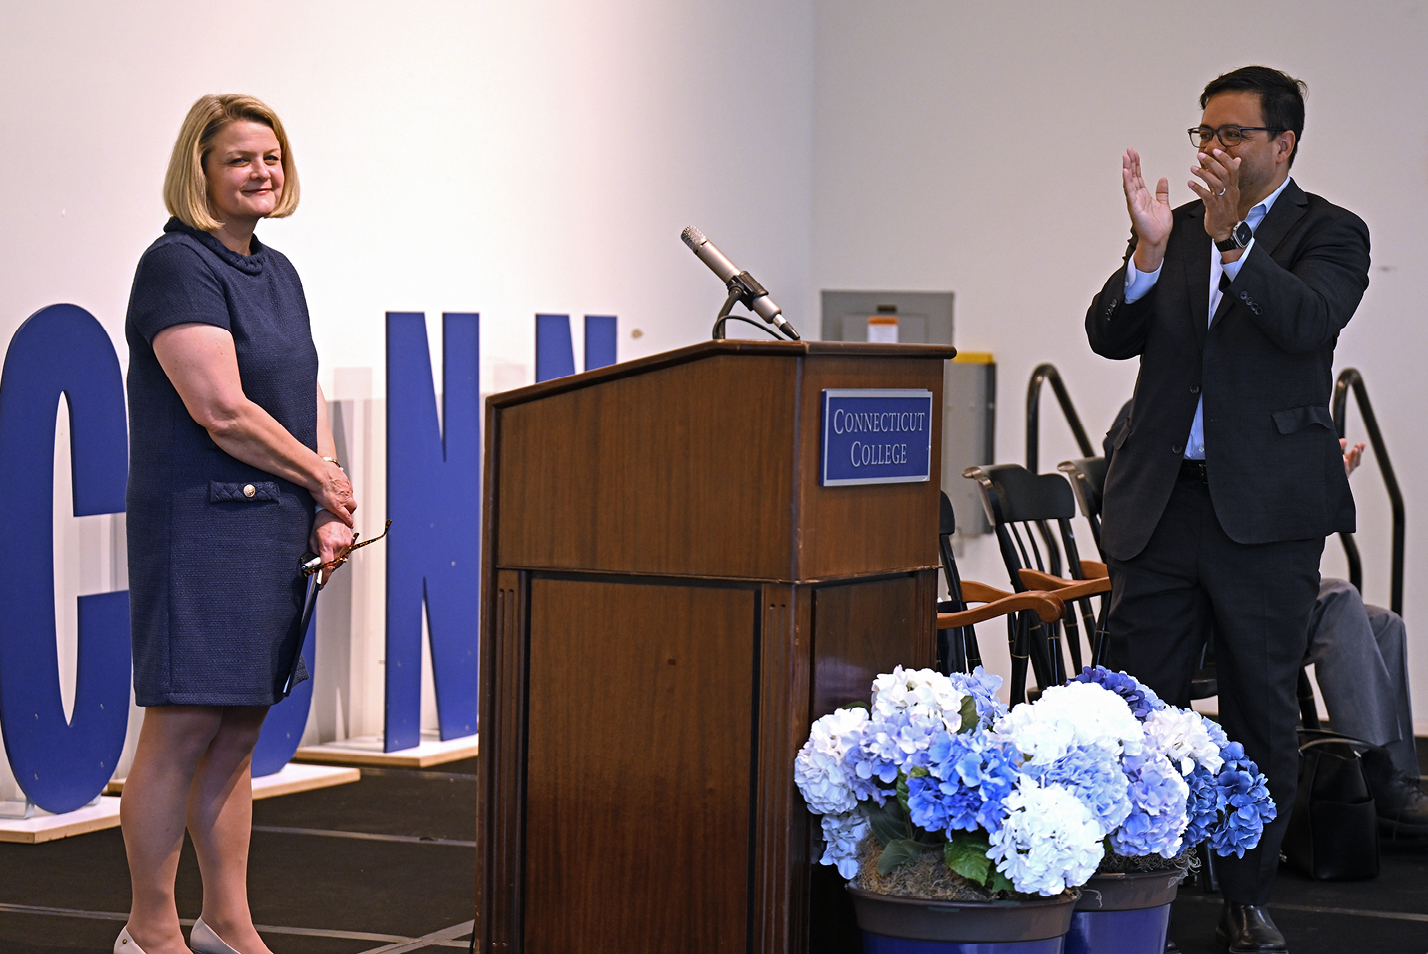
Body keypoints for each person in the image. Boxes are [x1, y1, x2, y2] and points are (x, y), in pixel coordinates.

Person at [1085, 66, 1370, 953]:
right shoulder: (1170, 232)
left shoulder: (1332, 231)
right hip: (1162, 507)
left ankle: (1245, 899)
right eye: (1203, 133)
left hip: (1267, 517)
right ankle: (1134, 902)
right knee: (1135, 710)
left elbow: (1307, 322)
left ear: (1282, 143)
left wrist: (1232, 244)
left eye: (1233, 135)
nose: (1213, 150)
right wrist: (1144, 253)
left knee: (1258, 712)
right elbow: (1107, 335)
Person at [117, 95, 356, 954]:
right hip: (202, 528)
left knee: (240, 733)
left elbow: (300, 394)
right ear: (201, 171)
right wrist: (321, 475)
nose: (262, 172)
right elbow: (221, 410)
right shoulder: (176, 265)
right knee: (181, 728)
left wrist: (330, 498)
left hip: (271, 525)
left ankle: (227, 922)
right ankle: (149, 929)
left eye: (273, 158)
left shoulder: (276, 270)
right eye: (240, 159)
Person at [1309, 444, 1427, 836]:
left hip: (1265, 586)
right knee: (1340, 599)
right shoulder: (1175, 412)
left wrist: (1328, 475)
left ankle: (1399, 781)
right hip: (1213, 595)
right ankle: (1373, 774)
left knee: (1385, 624)